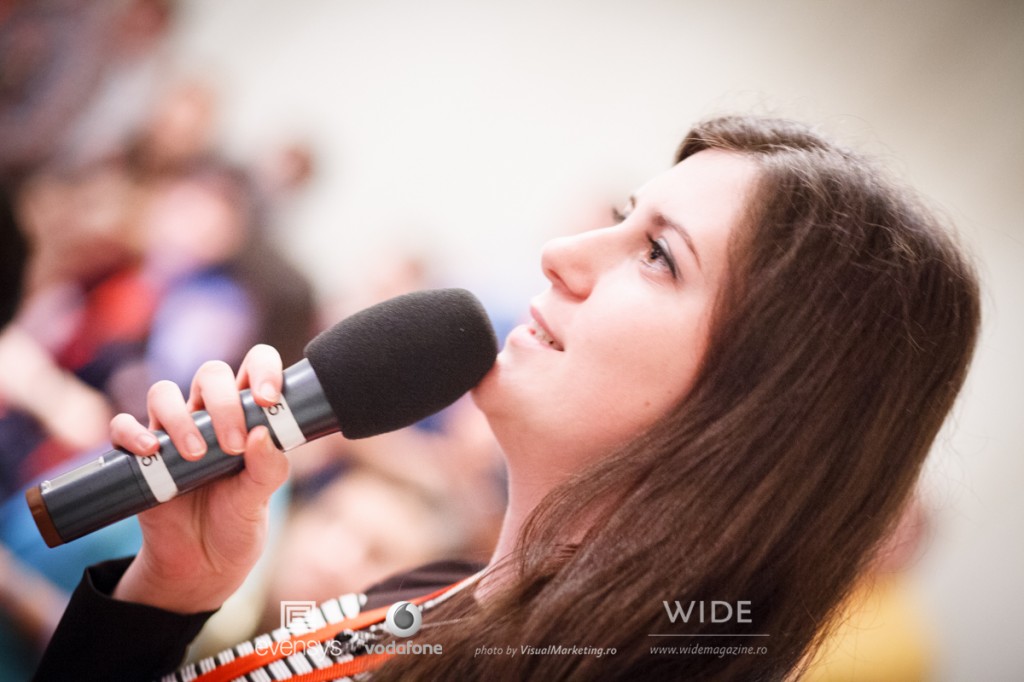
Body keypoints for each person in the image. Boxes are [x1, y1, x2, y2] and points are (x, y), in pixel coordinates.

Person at [32, 115, 980, 681]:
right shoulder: (435, 595)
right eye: (621, 222)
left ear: (768, 403)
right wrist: (169, 596)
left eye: (657, 255)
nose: (561, 258)